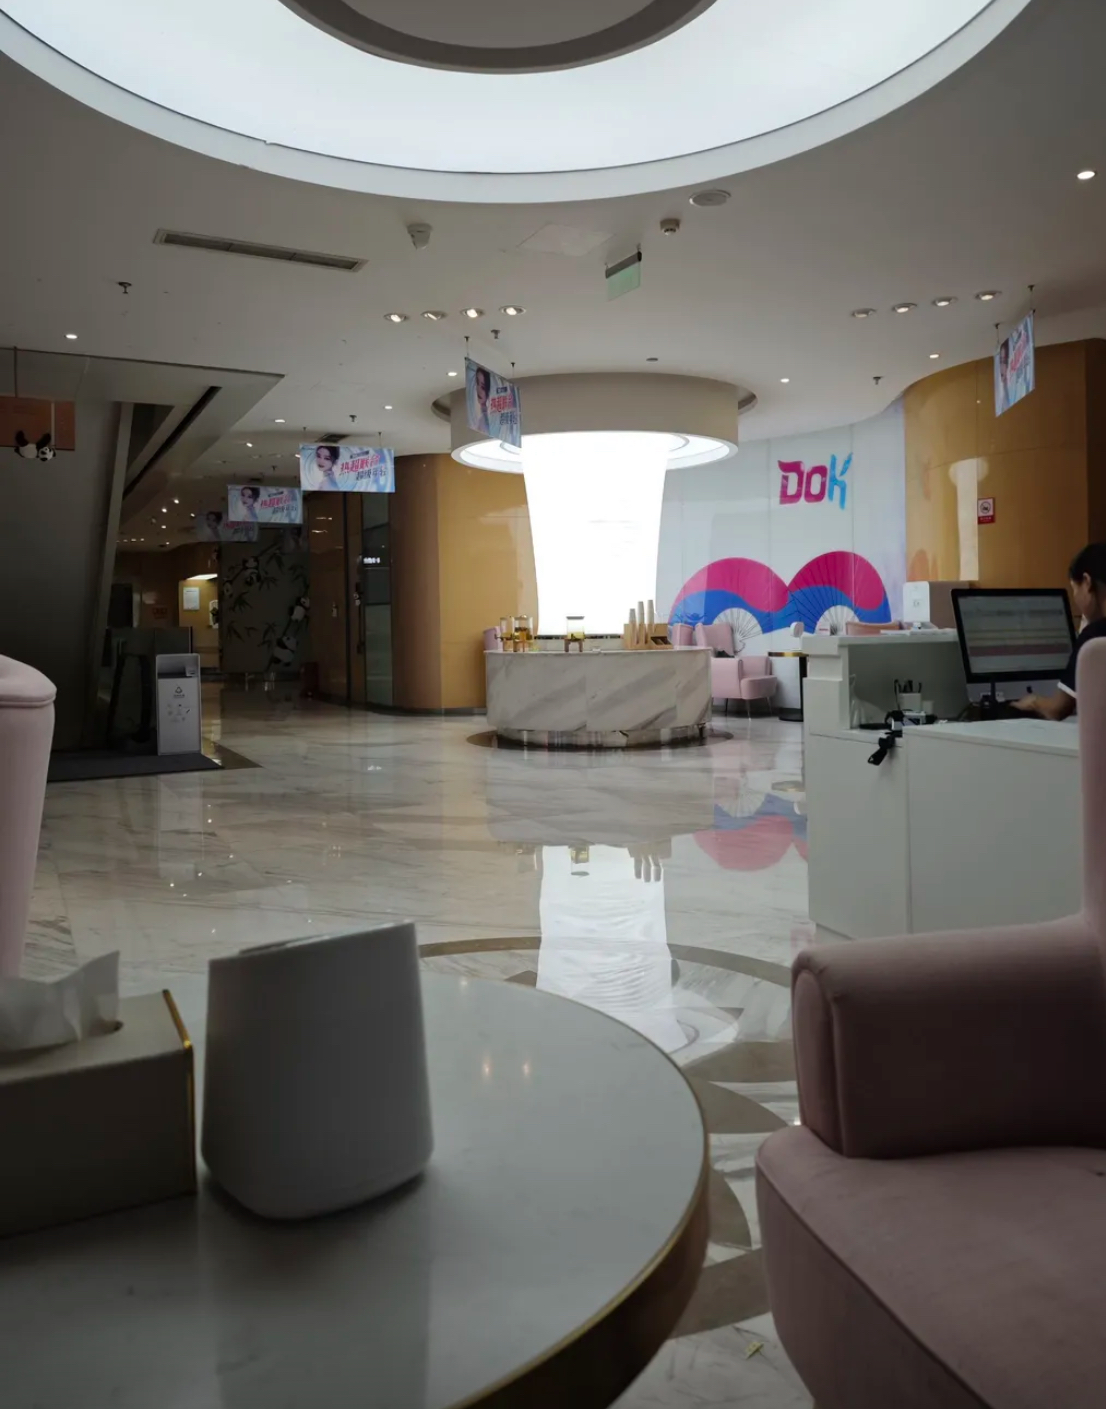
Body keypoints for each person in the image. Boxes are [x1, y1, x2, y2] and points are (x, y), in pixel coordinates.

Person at [1013, 542, 1106, 719]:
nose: (1076, 599)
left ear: (1087, 582)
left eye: (1075, 588)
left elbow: (1057, 709)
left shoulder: (1094, 637)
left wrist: (1033, 701)